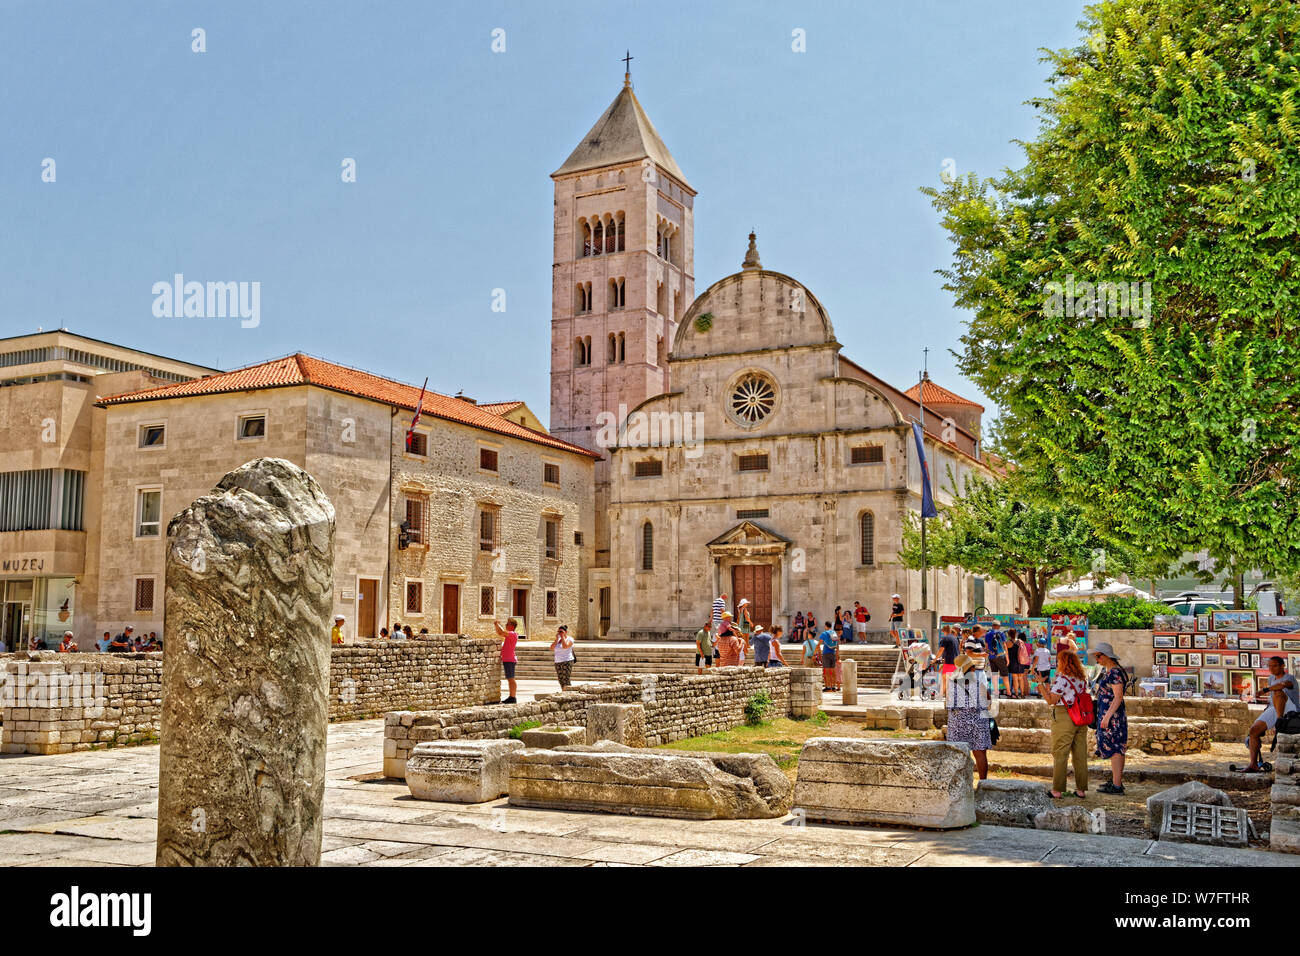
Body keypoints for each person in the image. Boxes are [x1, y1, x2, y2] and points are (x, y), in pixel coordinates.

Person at [1040, 640, 1089, 799]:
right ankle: (1081, 789)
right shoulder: (1081, 679)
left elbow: (1051, 700)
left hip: (1064, 716)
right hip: (1080, 717)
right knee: (1080, 754)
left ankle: (1057, 790)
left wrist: (1040, 684)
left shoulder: (1063, 679)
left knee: (1060, 753)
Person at [946, 638, 994, 779]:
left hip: (958, 723)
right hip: (977, 722)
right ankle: (983, 783)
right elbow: (988, 701)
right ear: (970, 668)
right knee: (980, 754)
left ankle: (959, 783)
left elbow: (949, 705)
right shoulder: (978, 683)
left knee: (958, 754)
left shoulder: (952, 683)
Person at [1243, 656, 1300, 773]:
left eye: (1274, 666)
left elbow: (1282, 686)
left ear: (1282, 666)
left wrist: (1264, 690)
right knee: (1254, 730)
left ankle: (1279, 723)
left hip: (1291, 708)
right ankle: (1253, 764)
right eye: (1269, 666)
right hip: (1274, 707)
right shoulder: (1271, 678)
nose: (1271, 669)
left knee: (1278, 692)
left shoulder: (1290, 677)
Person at [1091, 642, 1129, 794]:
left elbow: (1118, 697)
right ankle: (1116, 781)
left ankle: (1117, 785)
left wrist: (1107, 717)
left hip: (1113, 716)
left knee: (1115, 748)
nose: (1097, 659)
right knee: (1115, 747)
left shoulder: (1114, 673)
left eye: (1098, 656)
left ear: (1106, 656)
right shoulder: (1110, 671)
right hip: (1109, 714)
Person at [494, 618, 521, 704]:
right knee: (510, 678)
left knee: (511, 678)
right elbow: (500, 633)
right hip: (507, 659)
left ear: (512, 626)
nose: (506, 625)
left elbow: (501, 632)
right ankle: (511, 697)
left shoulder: (512, 634)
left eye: (507, 624)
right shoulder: (510, 634)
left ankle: (512, 697)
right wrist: (496, 625)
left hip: (509, 659)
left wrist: (497, 624)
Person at [550, 624, 575, 691]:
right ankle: (564, 691)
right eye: (558, 631)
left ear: (565, 632)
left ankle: (569, 692)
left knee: (566, 678)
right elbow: (551, 648)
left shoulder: (570, 639)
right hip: (558, 661)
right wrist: (556, 639)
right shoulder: (558, 640)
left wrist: (563, 637)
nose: (559, 633)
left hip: (567, 660)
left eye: (561, 631)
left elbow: (565, 646)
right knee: (560, 678)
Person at [937, 625, 959, 697]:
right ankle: (945, 697)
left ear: (944, 631)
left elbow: (941, 651)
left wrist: (934, 660)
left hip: (949, 663)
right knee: (948, 681)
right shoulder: (955, 639)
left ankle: (942, 696)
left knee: (945, 681)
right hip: (954, 663)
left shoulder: (946, 639)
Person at [818, 620, 840, 692]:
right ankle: (833, 686)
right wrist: (837, 654)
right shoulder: (834, 633)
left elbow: (819, 644)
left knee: (827, 671)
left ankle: (827, 687)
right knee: (833, 671)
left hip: (826, 653)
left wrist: (816, 652)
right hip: (833, 653)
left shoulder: (824, 633)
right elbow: (837, 645)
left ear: (825, 626)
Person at [1006, 629, 1027, 699]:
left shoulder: (1008, 643)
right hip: (1021, 661)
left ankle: (1017, 694)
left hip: (1013, 662)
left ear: (1009, 635)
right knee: (1020, 678)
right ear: (1016, 633)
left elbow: (1005, 652)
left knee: (1015, 679)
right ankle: (1022, 694)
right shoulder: (1020, 641)